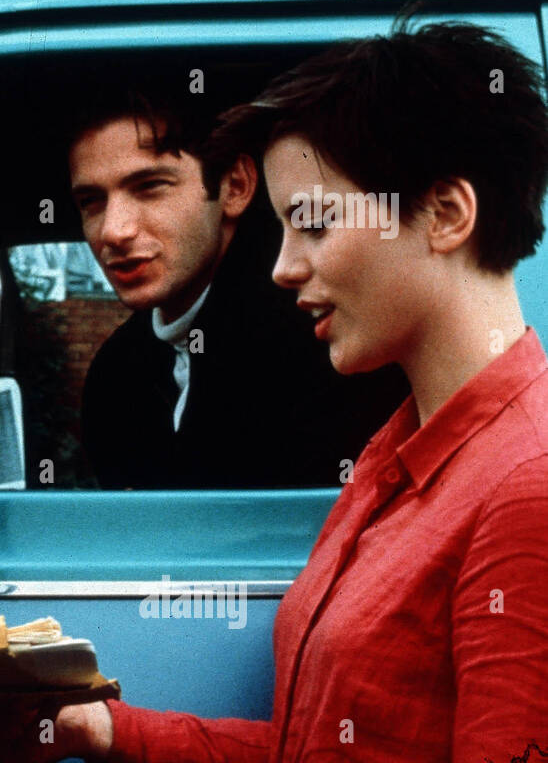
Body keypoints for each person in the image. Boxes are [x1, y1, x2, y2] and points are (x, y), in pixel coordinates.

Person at [0, 22, 548, 763]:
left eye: (315, 224)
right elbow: (317, 756)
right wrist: (100, 731)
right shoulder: (398, 456)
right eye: (283, 227)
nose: (282, 267)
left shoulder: (526, 486)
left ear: (448, 215)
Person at [72, 79, 406, 488]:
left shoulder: (325, 340)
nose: (113, 230)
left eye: (149, 188)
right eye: (92, 201)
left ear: (235, 187)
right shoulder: (117, 373)